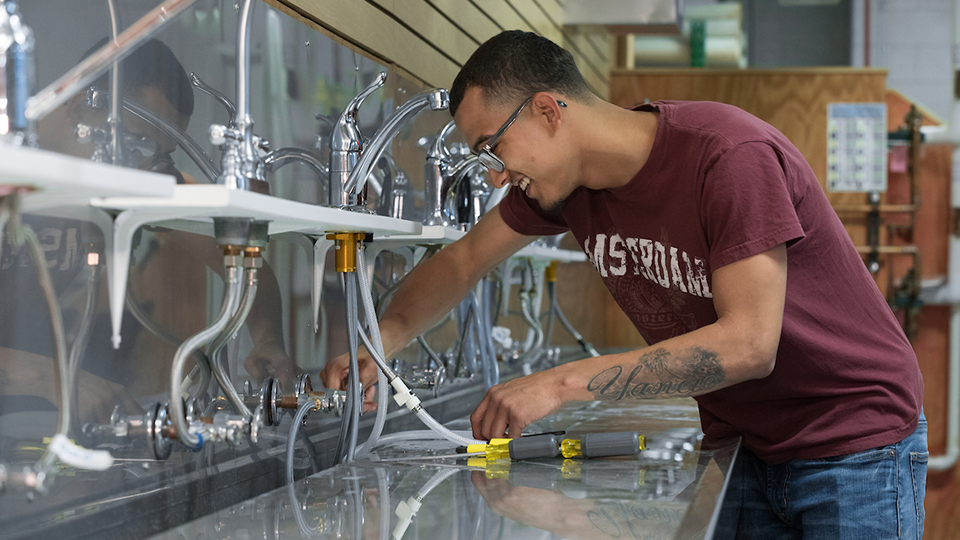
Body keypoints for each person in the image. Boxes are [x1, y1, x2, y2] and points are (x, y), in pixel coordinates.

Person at [320, 30, 926, 538]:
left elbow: (749, 344)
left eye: (494, 147)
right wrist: (384, 340)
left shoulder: (727, 155)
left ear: (548, 110)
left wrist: (559, 384)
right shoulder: (570, 191)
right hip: (748, 442)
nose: (500, 176)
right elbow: (462, 261)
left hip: (854, 444)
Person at [0, 38, 297, 429]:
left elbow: (243, 264)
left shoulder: (143, 176)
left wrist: (266, 339)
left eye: (162, 155)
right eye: (140, 143)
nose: (149, 171)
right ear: (81, 109)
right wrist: (49, 376)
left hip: (27, 408)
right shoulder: (10, 168)